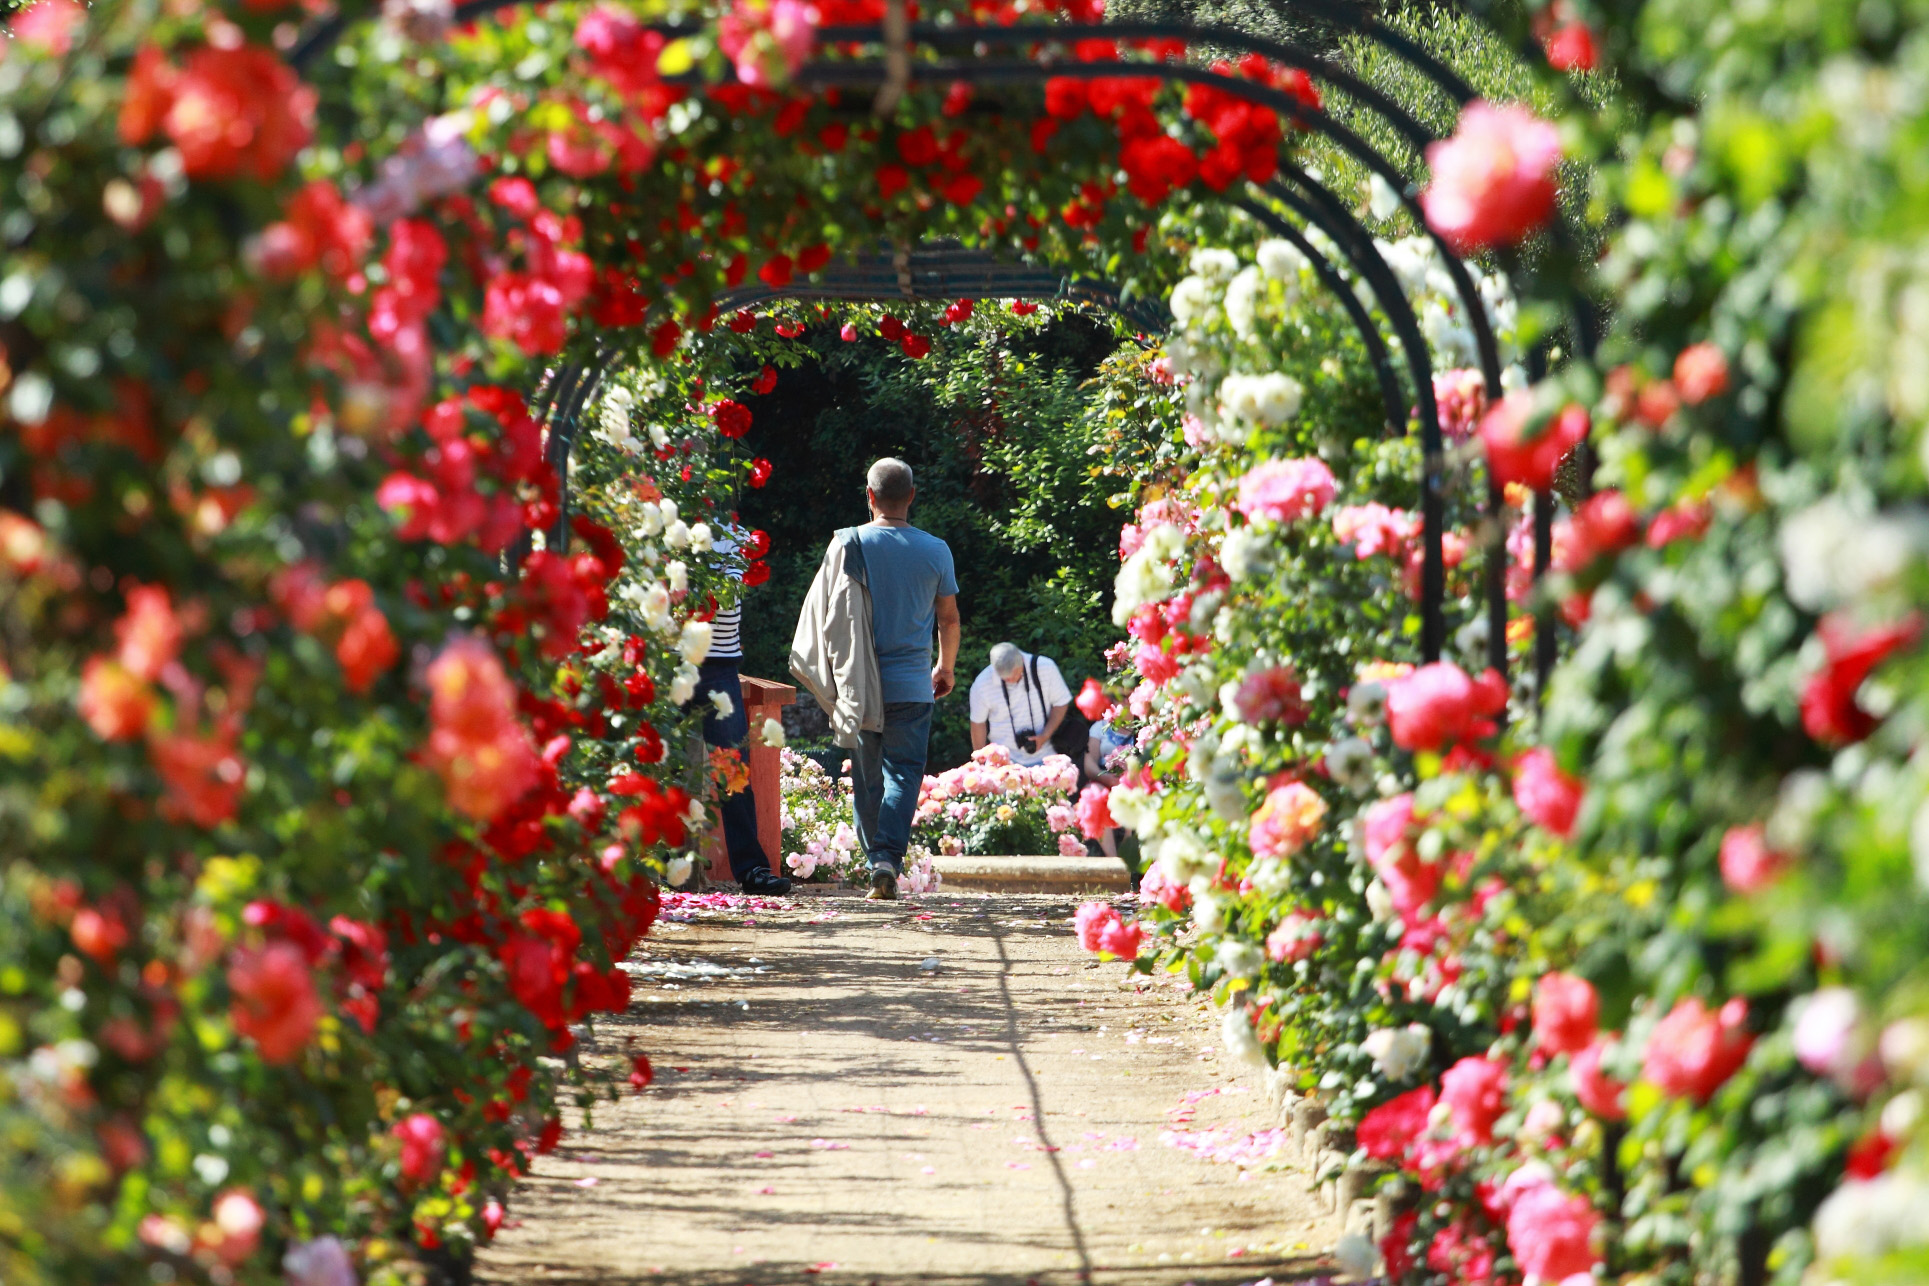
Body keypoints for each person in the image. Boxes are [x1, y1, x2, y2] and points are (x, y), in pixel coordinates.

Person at [794, 458, 959, 901]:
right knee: (905, 773)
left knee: (868, 778)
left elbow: (826, 615)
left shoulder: (850, 544)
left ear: (869, 497)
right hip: (912, 686)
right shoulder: (936, 550)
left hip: (861, 686)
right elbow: (949, 618)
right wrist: (945, 667)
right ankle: (888, 857)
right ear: (912, 496)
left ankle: (876, 864)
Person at [692, 526, 792, 895]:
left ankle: (751, 870)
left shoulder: (732, 534)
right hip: (670, 663)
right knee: (657, 762)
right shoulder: (665, 525)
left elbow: (730, 600)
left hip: (719, 666)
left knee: (733, 769)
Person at [968, 642, 1071, 767]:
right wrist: (980, 762)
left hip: (1047, 757)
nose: (1011, 680)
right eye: (1006, 679)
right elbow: (978, 723)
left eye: (1015, 674)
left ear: (1022, 660)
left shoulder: (1045, 667)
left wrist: (1045, 735)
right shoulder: (982, 684)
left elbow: (1061, 703)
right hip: (1002, 764)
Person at [1083, 713, 1138, 860]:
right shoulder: (1099, 727)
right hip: (1105, 779)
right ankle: (1113, 861)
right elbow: (1089, 764)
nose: (1124, 701)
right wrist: (1107, 778)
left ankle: (1128, 846)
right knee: (1094, 795)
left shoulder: (1144, 726)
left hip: (1136, 781)